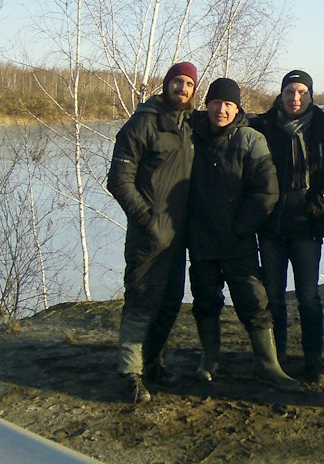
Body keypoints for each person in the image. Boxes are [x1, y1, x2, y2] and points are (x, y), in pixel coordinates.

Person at [187, 78, 301, 393]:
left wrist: (241, 227)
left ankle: (268, 365)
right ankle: (210, 357)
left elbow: (267, 193)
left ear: (237, 108)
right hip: (200, 239)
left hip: (238, 240)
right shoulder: (191, 136)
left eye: (228, 104)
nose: (221, 110)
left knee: (254, 301)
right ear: (206, 104)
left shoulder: (251, 139)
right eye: (215, 103)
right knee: (205, 300)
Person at [249, 70, 324, 384]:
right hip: (272, 226)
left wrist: (319, 201)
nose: (295, 99)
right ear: (281, 95)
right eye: (290, 92)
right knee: (274, 298)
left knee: (308, 298)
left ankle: (313, 360)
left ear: (311, 96)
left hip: (307, 226)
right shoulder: (262, 127)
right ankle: (277, 360)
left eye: (302, 92)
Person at [107, 61, 197, 404]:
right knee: (142, 301)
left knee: (170, 302)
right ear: (166, 84)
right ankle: (130, 373)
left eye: (189, 84)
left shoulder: (188, 125)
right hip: (149, 235)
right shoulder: (143, 122)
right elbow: (118, 179)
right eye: (177, 82)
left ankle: (154, 363)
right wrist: (145, 218)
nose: (182, 88)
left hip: (178, 235)